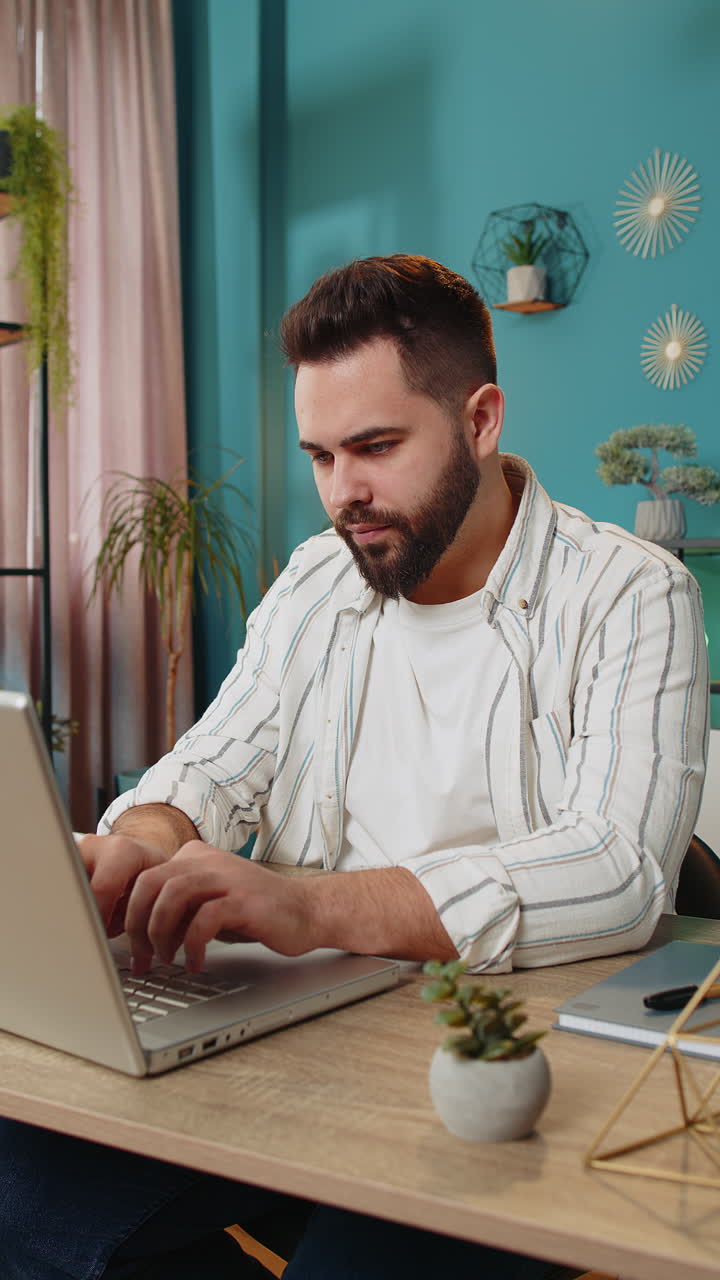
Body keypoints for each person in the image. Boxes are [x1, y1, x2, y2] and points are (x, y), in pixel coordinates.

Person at [0, 255, 708, 1279]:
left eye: (375, 446)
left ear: (480, 419)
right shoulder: (319, 577)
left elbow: (621, 870)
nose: (345, 493)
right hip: (291, 1041)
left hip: (496, 1064)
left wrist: (313, 906)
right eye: (322, 455)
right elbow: (214, 762)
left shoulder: (634, 594)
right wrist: (136, 843)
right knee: (22, 1191)